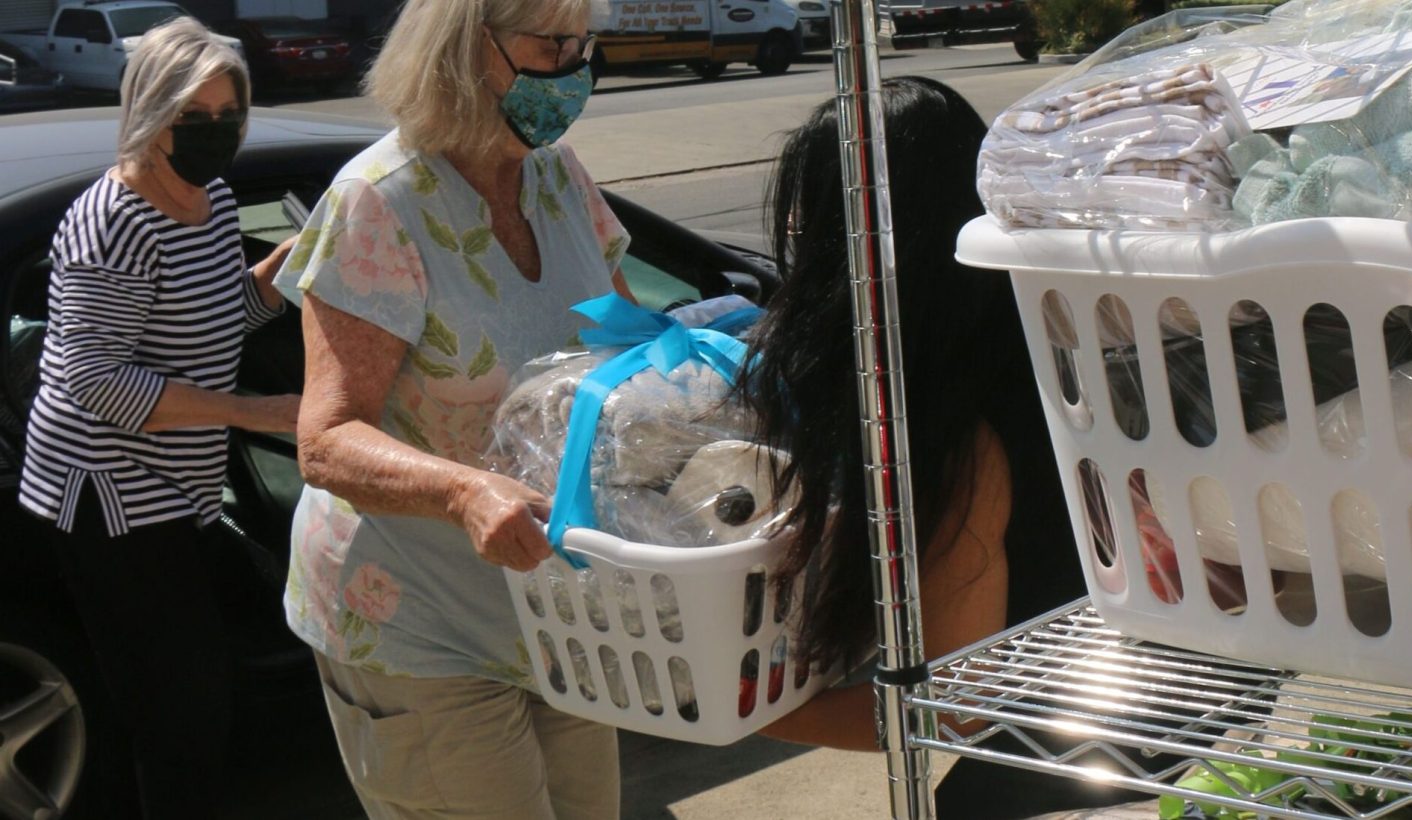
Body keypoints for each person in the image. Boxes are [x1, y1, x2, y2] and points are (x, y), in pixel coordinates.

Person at [736, 75, 1161, 817]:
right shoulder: (1050, 339)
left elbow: (949, 707)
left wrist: (746, 710)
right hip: (1160, 723)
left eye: (810, 237)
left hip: (1091, 768)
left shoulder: (959, 432)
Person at [274, 0, 634, 817]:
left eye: (584, 44)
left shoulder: (558, 173)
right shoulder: (380, 202)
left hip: (553, 612)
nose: (573, 69)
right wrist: (465, 490)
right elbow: (326, 440)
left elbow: (624, 341)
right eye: (551, 45)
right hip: (413, 622)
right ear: (467, 50)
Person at [18, 17, 298, 818]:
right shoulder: (113, 222)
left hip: (176, 488)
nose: (215, 135)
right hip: (108, 497)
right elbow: (93, 380)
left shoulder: (207, 199)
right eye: (194, 119)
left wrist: (286, 271)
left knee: (199, 699)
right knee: (179, 716)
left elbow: (216, 315)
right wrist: (260, 412)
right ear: (148, 115)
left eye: (228, 117)